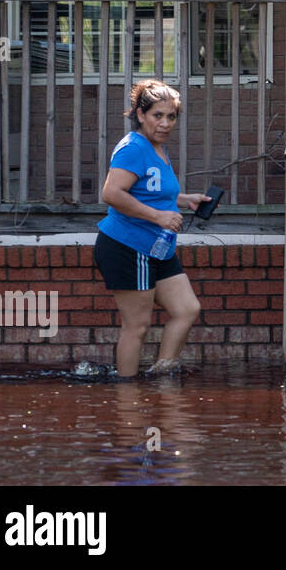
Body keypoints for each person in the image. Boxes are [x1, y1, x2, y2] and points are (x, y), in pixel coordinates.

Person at [93, 79, 210, 377]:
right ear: (140, 114)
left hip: (157, 248)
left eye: (171, 117)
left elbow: (149, 190)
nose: (165, 123)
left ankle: (162, 377)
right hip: (128, 247)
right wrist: (158, 217)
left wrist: (183, 200)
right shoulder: (133, 147)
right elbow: (112, 194)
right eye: (158, 115)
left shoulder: (156, 148)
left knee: (187, 310)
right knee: (138, 326)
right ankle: (126, 397)